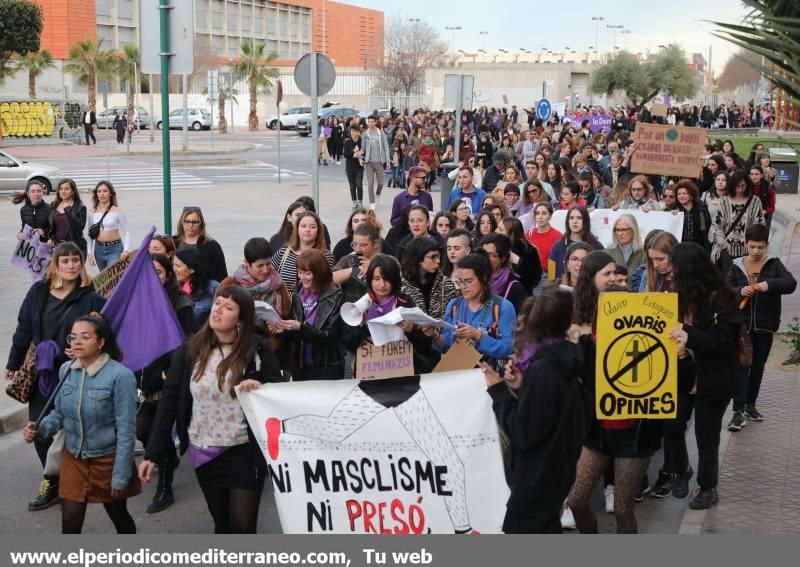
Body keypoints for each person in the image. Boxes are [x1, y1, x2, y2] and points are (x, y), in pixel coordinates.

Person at [140, 286, 283, 533]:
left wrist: (260, 387)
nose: (218, 309)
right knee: (222, 524)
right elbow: (170, 401)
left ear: (241, 318)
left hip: (244, 452)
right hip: (203, 450)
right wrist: (152, 453)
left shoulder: (256, 348)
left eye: (229, 307)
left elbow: (278, 394)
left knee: (243, 527)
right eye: (218, 302)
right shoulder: (190, 349)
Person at [6, 242, 106, 512]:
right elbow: (24, 327)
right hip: (43, 372)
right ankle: (50, 482)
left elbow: (106, 330)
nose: (72, 265)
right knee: (38, 429)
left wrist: (85, 345)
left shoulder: (91, 297)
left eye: (76, 260)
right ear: (56, 264)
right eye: (66, 260)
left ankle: (72, 482)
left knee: (72, 429)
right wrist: (13, 363)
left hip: (76, 372)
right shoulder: (38, 291)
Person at [483, 285, 586, 533]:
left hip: (538, 476)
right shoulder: (564, 358)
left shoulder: (544, 369)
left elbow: (524, 432)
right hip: (556, 469)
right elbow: (547, 412)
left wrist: (499, 392)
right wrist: (520, 388)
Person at [23, 313, 139, 533]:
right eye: (73, 337)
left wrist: (121, 475)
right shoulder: (67, 370)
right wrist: (39, 429)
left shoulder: (121, 376)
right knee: (70, 522)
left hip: (107, 460)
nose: (76, 342)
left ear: (101, 342)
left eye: (85, 337)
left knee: (119, 517)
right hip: (74, 458)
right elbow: (59, 413)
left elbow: (126, 431)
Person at [568, 253, 657, 533]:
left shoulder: (648, 340)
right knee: (577, 500)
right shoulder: (586, 342)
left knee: (622, 509)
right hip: (598, 432)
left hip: (635, 433)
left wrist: (680, 356)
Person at [668, 243, 740, 510]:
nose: (670, 273)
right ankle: (681, 469)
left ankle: (708, 487)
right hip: (685, 374)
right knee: (672, 425)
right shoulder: (679, 295)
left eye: (675, 267)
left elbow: (723, 343)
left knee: (706, 437)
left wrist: (690, 334)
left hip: (715, 379)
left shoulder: (721, 298)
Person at [137, 253, 197, 513]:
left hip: (168, 380)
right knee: (142, 431)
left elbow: (189, 343)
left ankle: (165, 487)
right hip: (143, 380)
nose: (154, 278)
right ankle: (166, 458)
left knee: (158, 429)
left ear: (169, 275)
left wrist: (172, 371)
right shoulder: (138, 302)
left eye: (158, 272)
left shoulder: (181, 304)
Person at [726, 224, 797, 430]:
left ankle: (750, 405)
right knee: (741, 367)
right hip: (741, 326)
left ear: (767, 245)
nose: (756, 251)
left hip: (765, 325)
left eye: (760, 247)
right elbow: (725, 289)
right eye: (752, 247)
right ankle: (737, 411)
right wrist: (740, 290)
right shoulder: (736, 265)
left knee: (757, 366)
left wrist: (769, 285)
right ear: (745, 245)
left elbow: (790, 283)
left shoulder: (774, 265)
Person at [270, 250, 346, 381]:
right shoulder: (297, 294)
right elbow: (294, 331)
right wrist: (283, 328)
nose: (302, 277)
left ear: (319, 273)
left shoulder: (336, 296)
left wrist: (300, 328)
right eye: (300, 272)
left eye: (307, 273)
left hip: (328, 365)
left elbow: (330, 335)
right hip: (301, 365)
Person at [431, 253, 515, 369]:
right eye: (460, 281)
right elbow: (447, 346)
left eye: (469, 281)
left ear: (484, 278)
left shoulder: (503, 307)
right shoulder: (454, 305)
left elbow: (507, 349)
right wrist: (435, 335)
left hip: (489, 376)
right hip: (460, 373)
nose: (463, 286)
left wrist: (478, 336)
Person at [710, 169, 765, 274]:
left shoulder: (755, 201)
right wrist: (723, 243)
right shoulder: (724, 201)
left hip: (748, 250)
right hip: (727, 250)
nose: (740, 189)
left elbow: (760, 224)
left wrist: (752, 244)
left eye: (743, 186)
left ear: (747, 185)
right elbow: (717, 225)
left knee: (745, 281)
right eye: (737, 186)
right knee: (728, 281)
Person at [272, 212, 334, 296]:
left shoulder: (325, 256)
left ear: (318, 230)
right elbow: (269, 274)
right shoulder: (284, 251)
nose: (307, 230)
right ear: (297, 229)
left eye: (312, 227)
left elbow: (327, 283)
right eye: (303, 226)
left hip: (312, 305)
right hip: (284, 305)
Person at [174, 206, 228, 283]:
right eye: (187, 221)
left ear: (201, 224)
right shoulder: (173, 242)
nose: (190, 225)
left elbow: (222, 275)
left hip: (204, 290)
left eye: (195, 222)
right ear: (182, 222)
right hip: (176, 289)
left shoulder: (212, 246)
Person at [548, 206, 603, 281]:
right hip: (562, 290)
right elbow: (551, 276)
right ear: (568, 221)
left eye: (579, 218)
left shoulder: (597, 246)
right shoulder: (557, 246)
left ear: (585, 221)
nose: (575, 221)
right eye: (571, 218)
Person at [481, 234, 530, 315]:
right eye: (483, 253)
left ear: (503, 258)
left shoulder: (514, 288)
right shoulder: (477, 279)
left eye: (491, 254)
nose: (484, 258)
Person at [333, 222, 383, 303]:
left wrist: (374, 268)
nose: (358, 249)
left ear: (375, 243)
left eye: (363, 245)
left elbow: (400, 286)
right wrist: (354, 270)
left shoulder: (387, 260)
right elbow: (329, 280)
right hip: (350, 309)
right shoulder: (349, 259)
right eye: (355, 244)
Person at [87, 180, 130, 271]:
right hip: (98, 250)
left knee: (113, 279)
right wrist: (89, 253)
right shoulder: (92, 212)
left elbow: (127, 231)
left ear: (110, 193)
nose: (102, 194)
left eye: (105, 191)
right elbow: (90, 234)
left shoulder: (117, 211)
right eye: (99, 191)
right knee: (104, 281)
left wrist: (126, 250)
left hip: (115, 249)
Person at [174, 247, 220, 327]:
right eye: (173, 264)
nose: (174, 269)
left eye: (178, 266)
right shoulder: (174, 288)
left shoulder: (213, 288)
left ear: (192, 269)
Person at [497, 216, 542, 292]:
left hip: (521, 293)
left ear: (511, 234)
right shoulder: (494, 246)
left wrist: (518, 261)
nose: (496, 231)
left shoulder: (529, 250)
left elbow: (534, 278)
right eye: (497, 228)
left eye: (500, 230)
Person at [45, 179, 87, 256]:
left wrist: (68, 210)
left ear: (73, 191)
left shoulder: (80, 207)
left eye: (67, 189)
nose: (63, 191)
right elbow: (51, 226)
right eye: (61, 189)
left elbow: (79, 227)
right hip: (57, 247)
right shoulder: (53, 205)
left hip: (74, 247)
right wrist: (51, 238)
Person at [605, 214, 646, 286]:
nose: (620, 233)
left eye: (624, 230)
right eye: (618, 230)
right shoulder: (608, 252)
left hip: (637, 295)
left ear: (633, 230)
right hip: (613, 294)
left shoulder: (644, 252)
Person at [525, 203, 562, 279]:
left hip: (547, 276)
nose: (540, 217)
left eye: (544, 213)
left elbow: (557, 260)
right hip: (529, 275)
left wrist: (550, 279)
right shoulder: (529, 234)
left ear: (550, 216)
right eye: (537, 213)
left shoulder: (557, 236)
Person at [672, 180, 712, 249]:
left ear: (691, 195)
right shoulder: (673, 209)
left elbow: (706, 230)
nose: (681, 196)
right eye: (679, 194)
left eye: (684, 193)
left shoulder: (701, 209)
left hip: (698, 248)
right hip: (679, 249)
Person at [362, 115, 391, 208]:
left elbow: (386, 146)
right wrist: (360, 155)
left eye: (372, 121)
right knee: (370, 183)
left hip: (379, 161)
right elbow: (363, 147)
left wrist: (387, 160)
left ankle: (378, 193)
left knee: (381, 183)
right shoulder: (365, 134)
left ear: (375, 122)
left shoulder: (380, 133)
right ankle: (372, 203)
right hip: (369, 162)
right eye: (369, 121)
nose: (370, 123)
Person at [343, 126, 365, 208]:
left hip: (359, 167)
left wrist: (360, 154)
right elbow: (345, 155)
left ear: (358, 132)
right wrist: (353, 152)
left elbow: (365, 153)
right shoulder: (347, 142)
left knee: (359, 184)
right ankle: (354, 202)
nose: (353, 133)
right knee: (352, 186)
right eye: (352, 131)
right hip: (350, 168)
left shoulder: (362, 141)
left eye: (355, 131)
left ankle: (360, 201)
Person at [749, 165, 776, 231]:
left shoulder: (768, 189)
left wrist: (764, 211)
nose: (754, 177)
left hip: (763, 219)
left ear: (761, 175)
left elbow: (772, 208)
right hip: (748, 219)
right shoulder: (746, 187)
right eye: (752, 174)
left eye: (756, 174)